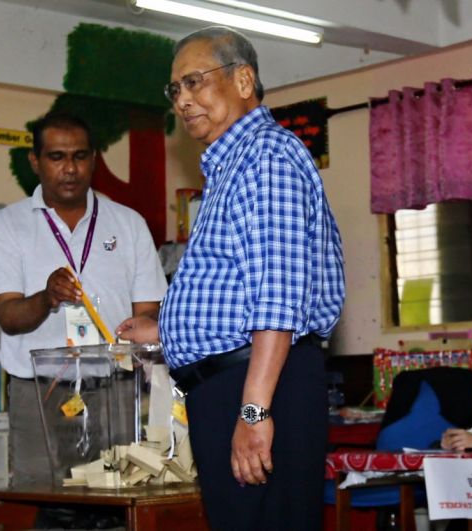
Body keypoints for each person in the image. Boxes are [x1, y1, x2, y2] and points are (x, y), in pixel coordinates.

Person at [116, 26, 345, 531]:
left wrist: (255, 412)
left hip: (260, 384)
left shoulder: (265, 157)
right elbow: (238, 289)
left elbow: (278, 298)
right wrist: (166, 329)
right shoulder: (232, 166)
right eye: (175, 90)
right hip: (236, 382)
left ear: (243, 80)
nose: (183, 100)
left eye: (195, 82)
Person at [0, 110, 167, 486]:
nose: (70, 168)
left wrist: (144, 326)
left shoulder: (128, 224)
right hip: (38, 392)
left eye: (80, 156)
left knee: (114, 495)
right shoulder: (5, 227)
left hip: (115, 389)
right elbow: (9, 317)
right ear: (36, 161)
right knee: (42, 498)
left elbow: (149, 309)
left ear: (94, 159)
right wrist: (47, 297)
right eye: (57, 157)